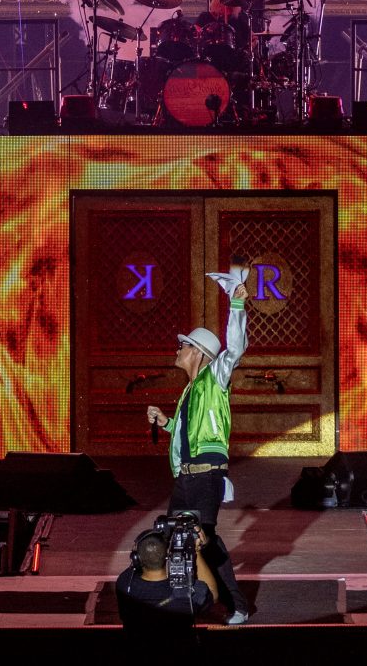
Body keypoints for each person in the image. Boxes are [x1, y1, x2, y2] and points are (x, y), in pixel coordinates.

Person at [141, 264, 252, 624]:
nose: (178, 349)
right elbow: (191, 434)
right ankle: (181, 599)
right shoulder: (190, 391)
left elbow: (235, 349)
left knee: (203, 539)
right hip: (188, 477)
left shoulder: (214, 378)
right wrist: (167, 423)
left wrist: (237, 306)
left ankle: (236, 605)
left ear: (199, 353)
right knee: (174, 536)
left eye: (184, 345)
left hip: (205, 475)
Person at [114, 521, 224, 635]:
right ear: (168, 556)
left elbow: (135, 564)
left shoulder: (125, 584)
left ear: (136, 557)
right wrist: (196, 550)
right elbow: (213, 593)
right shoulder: (185, 593)